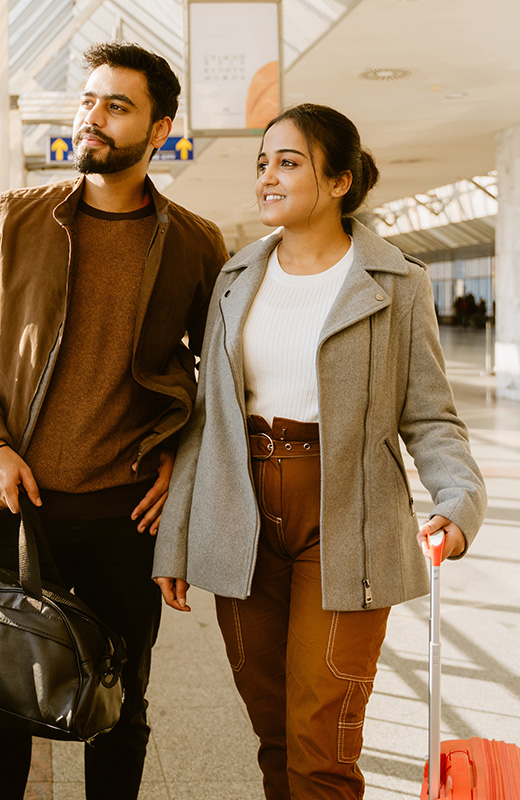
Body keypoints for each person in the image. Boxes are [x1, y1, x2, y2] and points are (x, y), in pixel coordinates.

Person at [152, 103, 486, 799]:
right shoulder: (235, 280)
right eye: (263, 163)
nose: (268, 176)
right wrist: (176, 540)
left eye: (289, 162)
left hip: (347, 521)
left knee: (321, 739)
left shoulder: (396, 284)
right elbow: (208, 417)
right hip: (241, 516)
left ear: (338, 182)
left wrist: (457, 503)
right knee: (274, 729)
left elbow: (430, 415)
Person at [0, 41, 228, 800]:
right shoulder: (16, 219)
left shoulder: (195, 244)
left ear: (159, 130)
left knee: (119, 703)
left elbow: (217, 377)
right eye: (88, 100)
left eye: (116, 106)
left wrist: (179, 463)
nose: (90, 117)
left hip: (125, 515)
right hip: (18, 508)